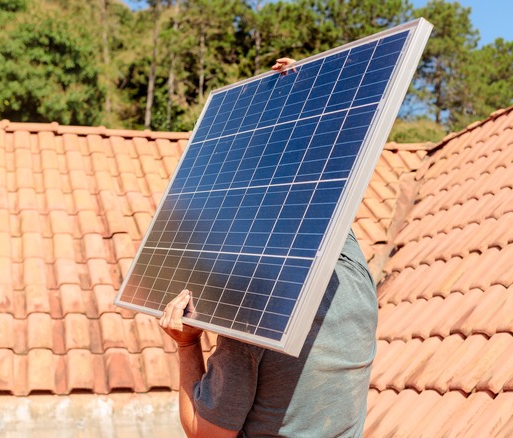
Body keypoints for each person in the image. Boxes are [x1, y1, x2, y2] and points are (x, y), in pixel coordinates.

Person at [158, 58, 379, 438]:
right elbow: (331, 170)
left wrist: (187, 344)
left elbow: (204, 433)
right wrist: (309, 93)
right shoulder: (357, 277)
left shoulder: (254, 326)